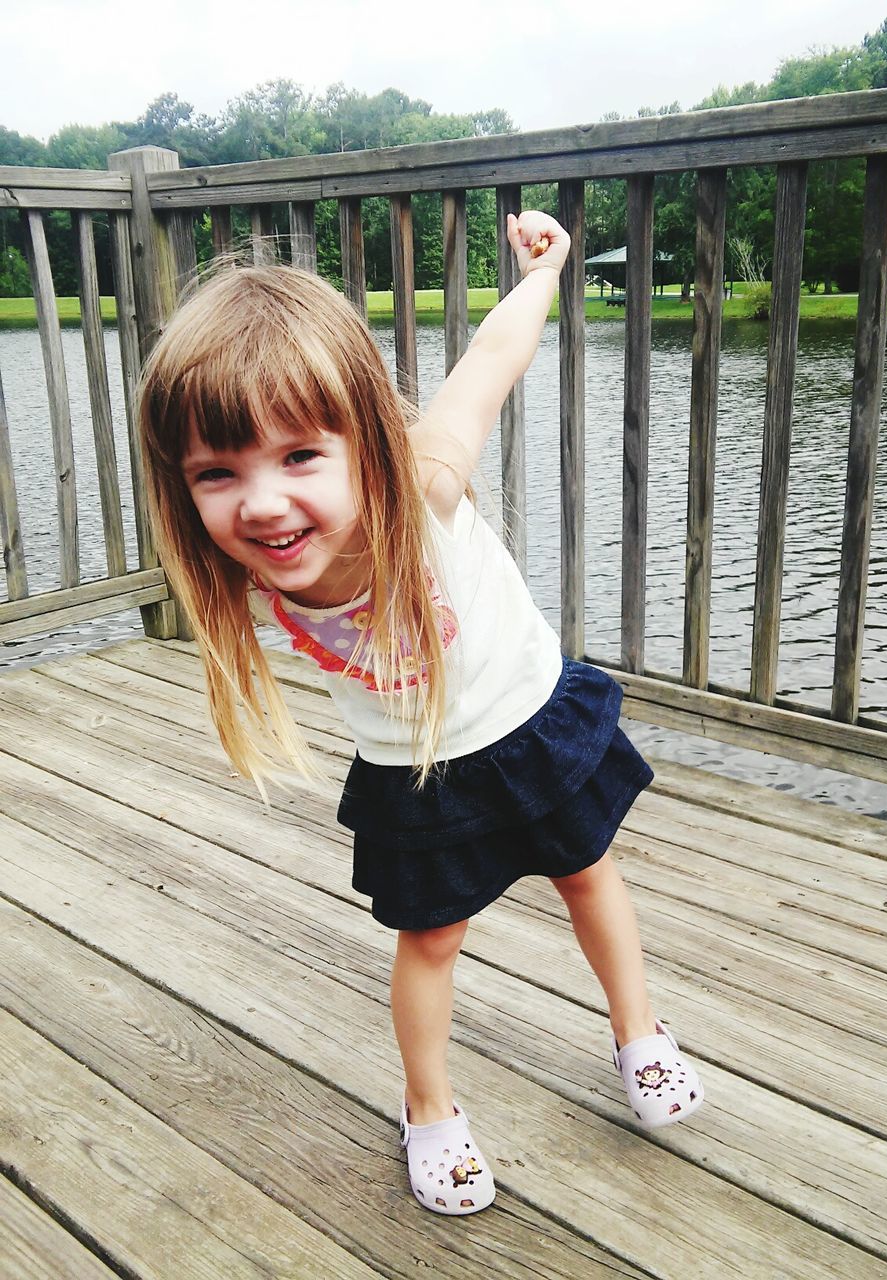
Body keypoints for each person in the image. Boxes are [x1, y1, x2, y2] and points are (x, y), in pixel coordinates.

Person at [138, 210, 705, 1218]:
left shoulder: (427, 481)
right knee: (431, 940)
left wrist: (546, 270)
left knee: (588, 876)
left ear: (368, 440)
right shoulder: (248, 566)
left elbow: (492, 358)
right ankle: (429, 1104)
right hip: (420, 773)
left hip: (530, 724)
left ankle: (641, 1029)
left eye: (301, 455)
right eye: (218, 473)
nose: (261, 504)